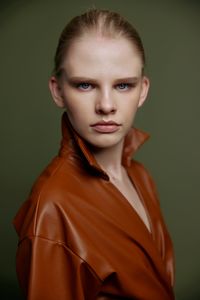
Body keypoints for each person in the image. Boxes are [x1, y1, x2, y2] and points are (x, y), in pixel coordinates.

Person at [13, 9, 175, 300]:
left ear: (143, 90)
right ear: (58, 90)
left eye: (123, 85)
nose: (106, 105)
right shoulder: (52, 208)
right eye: (85, 85)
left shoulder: (141, 176)